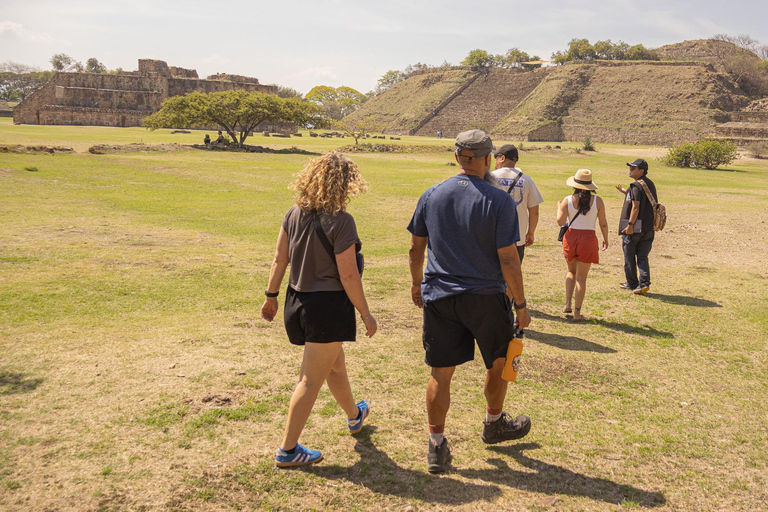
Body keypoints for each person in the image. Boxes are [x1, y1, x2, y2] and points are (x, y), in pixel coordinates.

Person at [408, 129, 532, 474]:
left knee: (440, 374)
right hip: (485, 298)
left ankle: (436, 446)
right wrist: (521, 306)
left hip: (441, 296)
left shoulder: (432, 194)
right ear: (489, 158)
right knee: (497, 363)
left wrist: (417, 284)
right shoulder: (499, 200)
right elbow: (508, 258)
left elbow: (416, 247)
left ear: (458, 156)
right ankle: (494, 423)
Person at [261, 151, 378, 468]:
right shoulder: (341, 222)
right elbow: (349, 274)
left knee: (335, 366)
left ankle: (355, 416)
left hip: (296, 302)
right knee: (310, 380)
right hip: (326, 308)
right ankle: (287, 450)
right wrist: (366, 314)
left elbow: (279, 259)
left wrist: (271, 296)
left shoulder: (292, 213)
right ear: (345, 185)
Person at [556, 169, 609, 322]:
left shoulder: (568, 199)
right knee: (581, 278)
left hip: (571, 236)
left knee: (570, 271)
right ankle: (577, 313)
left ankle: (567, 305)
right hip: (588, 238)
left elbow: (560, 222)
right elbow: (603, 223)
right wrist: (606, 238)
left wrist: (559, 207)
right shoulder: (598, 201)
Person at [490, 144, 544, 264]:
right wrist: (530, 232)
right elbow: (534, 211)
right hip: (517, 237)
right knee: (513, 276)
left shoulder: (490, 178)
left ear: (502, 158)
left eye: (496, 158)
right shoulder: (527, 180)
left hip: (492, 237)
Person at [616, 158, 658, 295]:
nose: (630, 170)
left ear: (641, 171)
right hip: (648, 227)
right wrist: (624, 191)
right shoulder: (649, 184)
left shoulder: (636, 186)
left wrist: (630, 225)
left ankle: (632, 283)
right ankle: (644, 283)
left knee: (629, 255)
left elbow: (635, 207)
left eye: (633, 168)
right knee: (642, 256)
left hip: (635, 228)